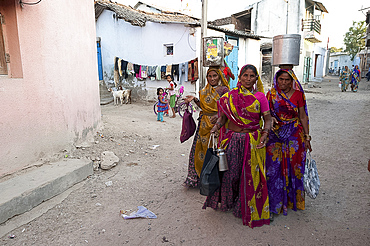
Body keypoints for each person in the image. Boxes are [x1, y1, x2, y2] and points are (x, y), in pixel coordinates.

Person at [203, 64, 272, 228]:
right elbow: (224, 118)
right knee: (230, 174)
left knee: (249, 176)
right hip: (233, 139)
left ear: (256, 78)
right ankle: (229, 202)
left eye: (252, 76)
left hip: (252, 140)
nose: (248, 79)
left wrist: (265, 134)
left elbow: (267, 119)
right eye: (245, 75)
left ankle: (245, 207)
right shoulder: (230, 96)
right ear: (239, 77)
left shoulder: (260, 97)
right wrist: (216, 126)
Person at [265, 69, 312, 220]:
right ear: (276, 80)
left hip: (294, 136)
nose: (284, 83)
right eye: (281, 80)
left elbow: (303, 116)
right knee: (274, 169)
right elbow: (267, 115)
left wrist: (307, 136)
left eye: (287, 80)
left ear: (292, 81)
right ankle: (275, 203)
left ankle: (293, 201)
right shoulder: (271, 95)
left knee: (295, 168)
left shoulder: (298, 95)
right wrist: (271, 120)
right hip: (275, 136)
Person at [183, 67, 229, 187]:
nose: (212, 78)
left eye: (215, 76)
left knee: (215, 152)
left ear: (219, 76)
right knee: (199, 151)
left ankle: (214, 182)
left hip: (218, 125)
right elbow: (203, 107)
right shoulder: (205, 90)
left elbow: (227, 108)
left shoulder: (224, 90)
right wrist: (195, 100)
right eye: (210, 76)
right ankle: (197, 179)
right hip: (203, 125)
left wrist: (218, 116)